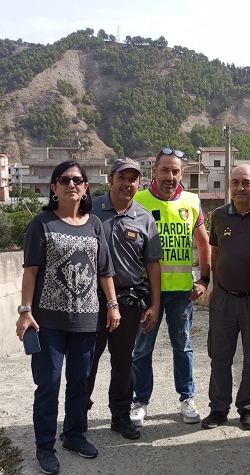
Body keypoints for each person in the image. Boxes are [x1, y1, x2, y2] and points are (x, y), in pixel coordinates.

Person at [15, 160, 120, 475]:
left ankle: (74, 435)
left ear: (86, 187)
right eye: (64, 179)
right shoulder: (42, 223)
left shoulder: (94, 225)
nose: (71, 184)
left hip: (86, 321)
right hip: (47, 324)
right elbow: (30, 271)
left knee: (80, 382)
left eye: (78, 179)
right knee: (47, 384)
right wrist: (25, 312)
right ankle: (45, 447)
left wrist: (112, 305)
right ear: (54, 187)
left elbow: (104, 271)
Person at [130, 147, 211, 426]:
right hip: (145, 291)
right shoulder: (137, 201)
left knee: (183, 346)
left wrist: (204, 279)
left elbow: (203, 244)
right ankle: (140, 401)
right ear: (154, 171)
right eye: (164, 170)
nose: (170, 176)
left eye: (175, 170)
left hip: (181, 292)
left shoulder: (191, 202)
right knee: (142, 348)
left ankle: (187, 398)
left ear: (182, 173)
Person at [87, 158, 162, 440]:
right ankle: (78, 415)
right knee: (87, 361)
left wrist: (155, 305)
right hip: (91, 303)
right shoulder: (90, 210)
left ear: (139, 183)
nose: (127, 183)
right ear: (110, 180)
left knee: (122, 362)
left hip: (129, 302)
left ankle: (119, 416)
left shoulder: (144, 217)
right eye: (122, 177)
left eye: (134, 178)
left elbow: (152, 264)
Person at [201, 165, 250, 431]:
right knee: (219, 356)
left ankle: (248, 408)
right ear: (229, 186)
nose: (241, 188)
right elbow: (215, 253)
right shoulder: (220, 216)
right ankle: (218, 409)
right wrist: (214, 287)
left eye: (246, 182)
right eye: (235, 183)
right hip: (223, 299)